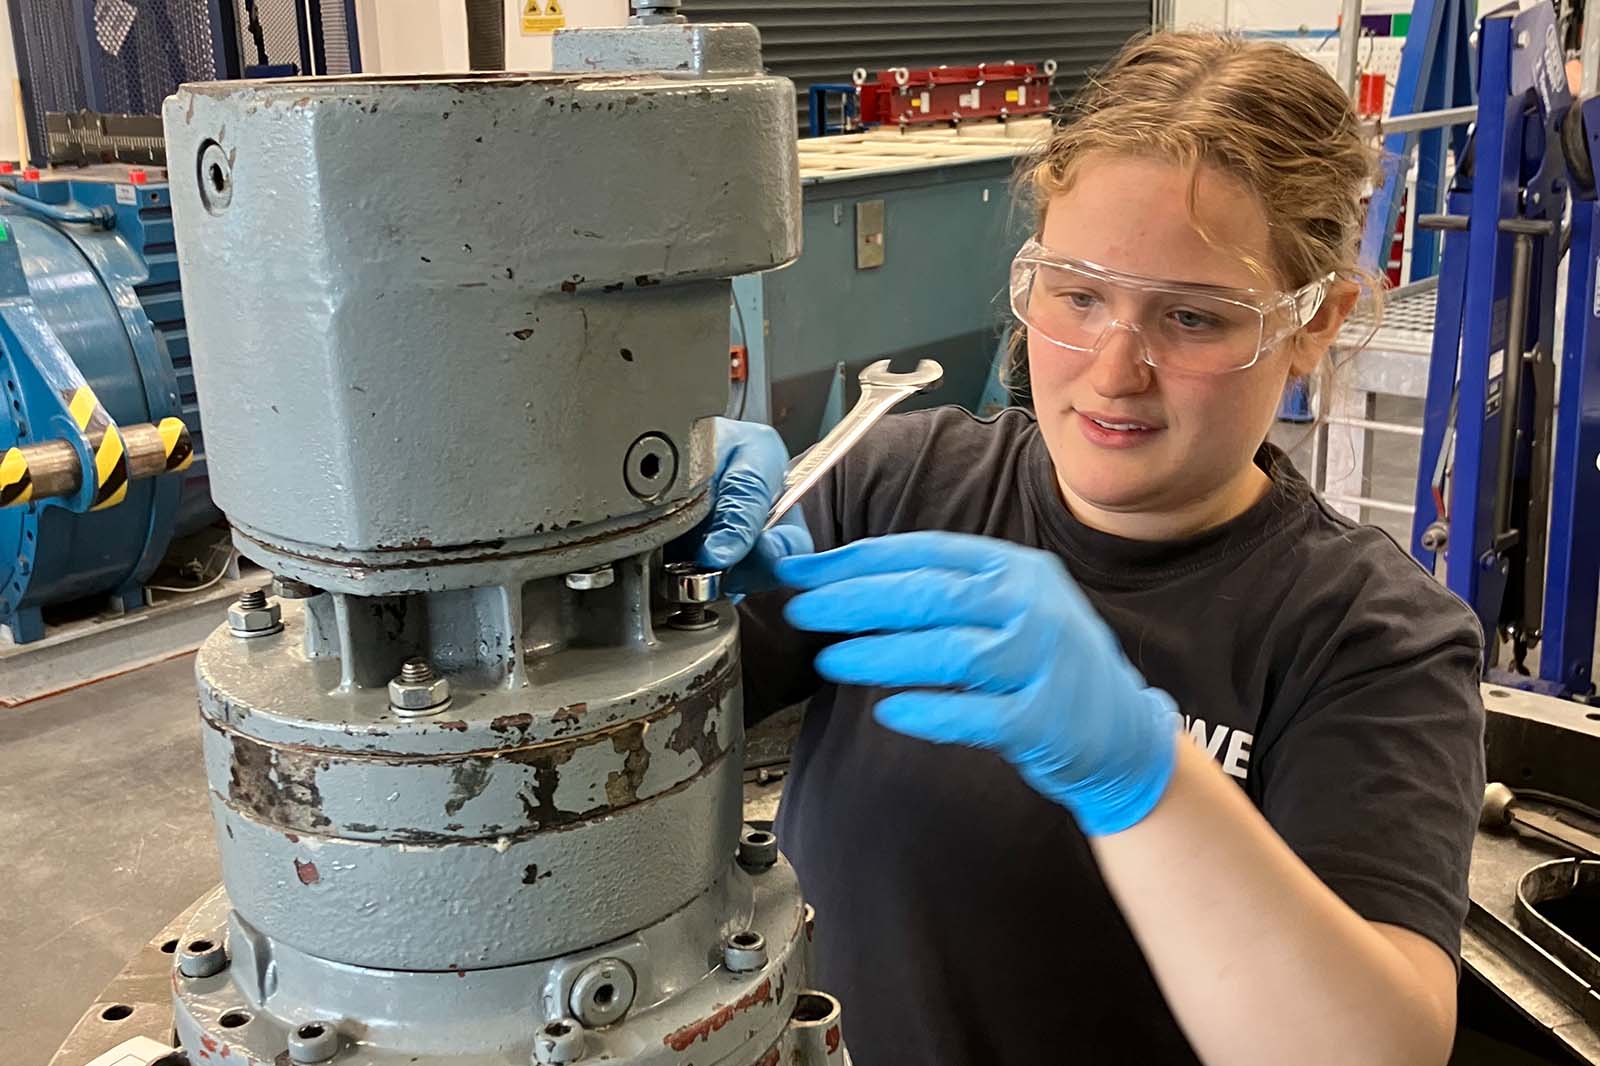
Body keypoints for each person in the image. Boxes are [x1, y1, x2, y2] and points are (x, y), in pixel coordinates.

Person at [691, 32, 1485, 1066]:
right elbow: (618, 740)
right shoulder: (893, 485)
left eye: (1192, 317)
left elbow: (1374, 1052)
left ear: (1313, 325)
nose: (1113, 370)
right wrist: (645, 553)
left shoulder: (1371, 639)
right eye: (1075, 295)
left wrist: (1145, 777)